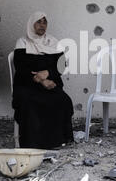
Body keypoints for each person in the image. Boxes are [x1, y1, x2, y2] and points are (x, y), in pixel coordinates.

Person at [12, 11, 74, 149]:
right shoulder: (22, 42)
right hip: (27, 84)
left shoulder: (53, 42)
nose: (42, 25)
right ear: (31, 24)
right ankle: (33, 144)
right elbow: (21, 68)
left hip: (50, 82)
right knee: (29, 103)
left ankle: (57, 140)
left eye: (45, 22)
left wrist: (48, 73)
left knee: (63, 100)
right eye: (38, 22)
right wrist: (41, 80)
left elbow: (62, 65)